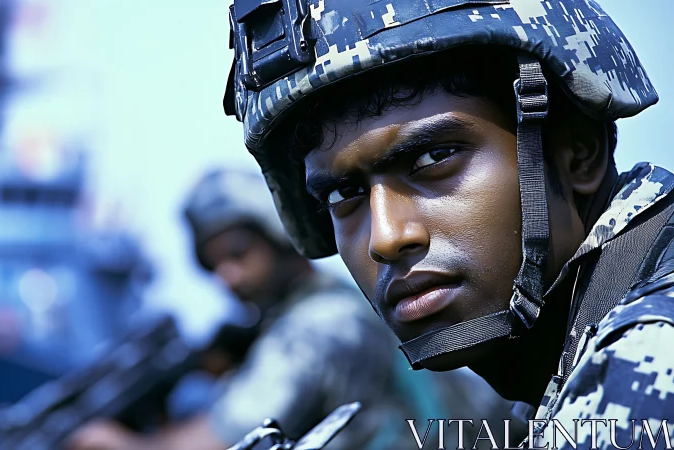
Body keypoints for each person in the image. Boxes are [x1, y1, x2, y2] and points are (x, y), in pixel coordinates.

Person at [220, 0, 674, 448]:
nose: (387, 238)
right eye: (343, 194)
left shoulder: (645, 363)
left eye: (434, 158)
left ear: (578, 150)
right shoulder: (573, 367)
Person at [66, 168, 522, 449]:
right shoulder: (316, 312)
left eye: (239, 254)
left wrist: (124, 445)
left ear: (280, 240)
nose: (228, 277)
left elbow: (221, 441)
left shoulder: (317, 325)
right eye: (213, 264)